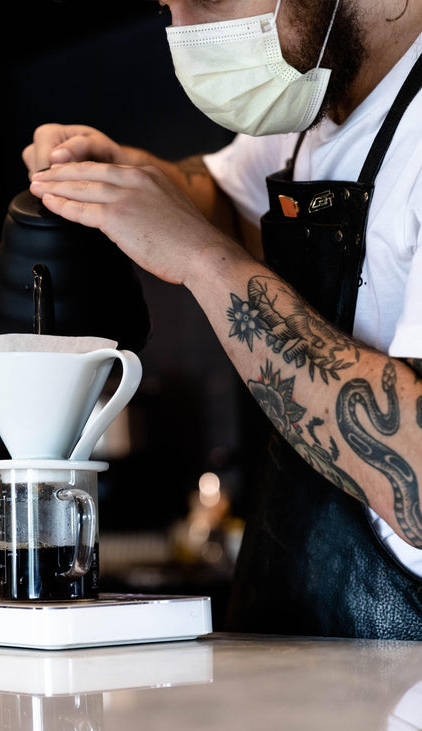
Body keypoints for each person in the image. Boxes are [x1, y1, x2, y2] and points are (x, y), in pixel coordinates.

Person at [23, 0, 422, 639]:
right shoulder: (311, 104)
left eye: (205, 1)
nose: (184, 33)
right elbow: (224, 200)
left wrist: (203, 261)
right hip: (306, 668)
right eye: (167, 7)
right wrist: (122, 174)